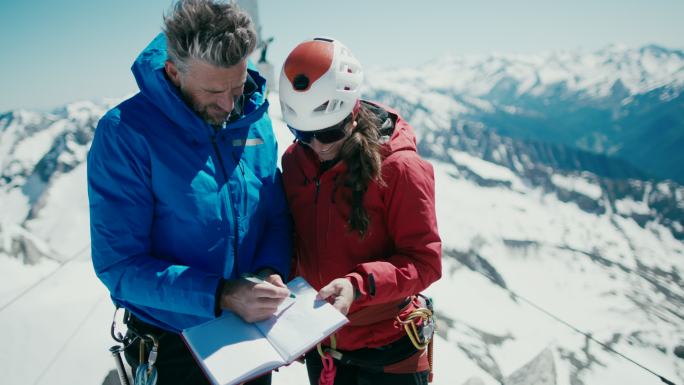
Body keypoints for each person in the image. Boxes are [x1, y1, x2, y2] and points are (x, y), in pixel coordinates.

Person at [87, 1, 291, 384]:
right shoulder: (126, 133)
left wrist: (270, 270)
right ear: (172, 72)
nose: (230, 105)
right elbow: (119, 266)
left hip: (250, 336)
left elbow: (275, 216)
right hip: (173, 346)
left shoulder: (253, 116)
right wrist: (221, 294)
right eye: (214, 91)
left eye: (238, 85)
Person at [279, 37, 442, 385]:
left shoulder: (400, 168)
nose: (318, 147)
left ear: (352, 114)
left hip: (387, 353)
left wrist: (359, 286)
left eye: (329, 132)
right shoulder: (295, 162)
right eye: (303, 134)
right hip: (323, 345)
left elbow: (425, 262)